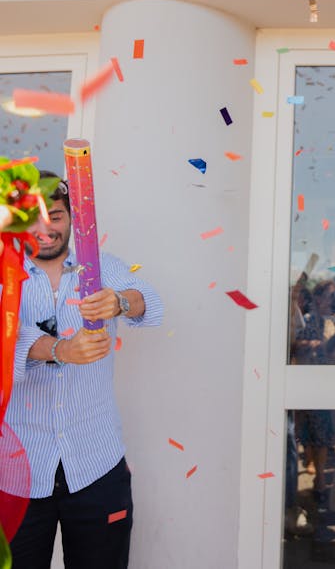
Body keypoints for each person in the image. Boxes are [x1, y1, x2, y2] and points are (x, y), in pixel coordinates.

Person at [8, 173, 164, 568]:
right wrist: (60, 349)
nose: (45, 228)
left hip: (97, 462)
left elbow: (147, 298)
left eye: (56, 216)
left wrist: (119, 302)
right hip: (16, 471)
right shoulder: (4, 271)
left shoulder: (99, 267)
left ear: (72, 219)